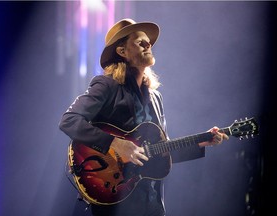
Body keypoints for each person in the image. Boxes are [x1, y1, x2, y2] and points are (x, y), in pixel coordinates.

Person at [59, 18, 229, 216]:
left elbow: (157, 153)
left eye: (149, 42)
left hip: (151, 203)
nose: (149, 44)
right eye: (140, 42)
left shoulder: (155, 97)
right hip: (114, 200)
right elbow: (69, 120)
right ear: (122, 52)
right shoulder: (107, 85)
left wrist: (201, 143)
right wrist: (116, 144)